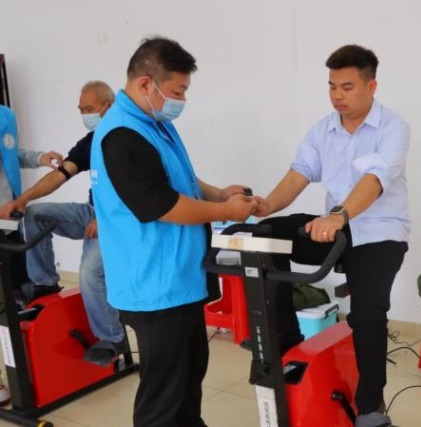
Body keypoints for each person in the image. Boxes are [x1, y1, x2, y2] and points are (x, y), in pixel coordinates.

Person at [90, 36, 257, 427]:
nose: (181, 99)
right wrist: (226, 210)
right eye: (178, 91)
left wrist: (218, 193)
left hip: (177, 279)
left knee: (189, 373)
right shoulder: (123, 135)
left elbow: (176, 178)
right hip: (154, 285)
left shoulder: (149, 123)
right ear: (146, 84)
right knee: (163, 394)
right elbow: (162, 205)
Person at [253, 44, 410, 427]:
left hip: (379, 232)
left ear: (371, 86)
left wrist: (338, 216)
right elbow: (299, 174)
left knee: (368, 314)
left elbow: (374, 182)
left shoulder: (393, 127)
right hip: (334, 228)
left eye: (347, 87)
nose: (338, 95)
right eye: (332, 87)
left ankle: (371, 408)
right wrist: (267, 205)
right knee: (267, 234)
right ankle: (288, 339)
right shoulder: (322, 129)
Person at [0, 81, 126, 366]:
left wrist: (103, 217)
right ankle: (45, 283)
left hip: (118, 220)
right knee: (35, 214)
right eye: (81, 109)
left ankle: (112, 339)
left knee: (89, 273)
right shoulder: (91, 141)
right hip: (91, 213)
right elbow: (60, 175)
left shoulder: (126, 138)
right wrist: (23, 200)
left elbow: (134, 190)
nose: (84, 114)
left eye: (89, 108)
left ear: (109, 106)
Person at [0, 103, 63, 404]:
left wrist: (39, 157)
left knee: (17, 293)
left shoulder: (5, 115)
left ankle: (31, 369)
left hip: (6, 214)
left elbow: (11, 153)